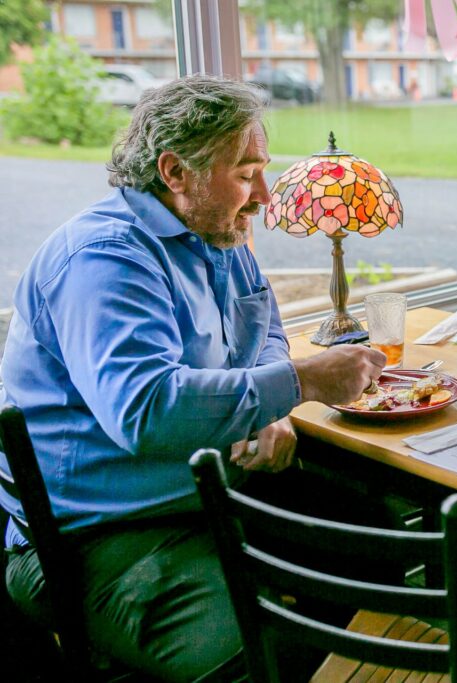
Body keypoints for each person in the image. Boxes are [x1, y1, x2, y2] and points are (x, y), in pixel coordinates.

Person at [0, 75, 389, 682]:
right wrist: (300, 384)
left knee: (375, 544)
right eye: (246, 173)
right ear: (175, 172)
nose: (263, 195)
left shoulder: (218, 233)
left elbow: (265, 329)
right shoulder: (105, 259)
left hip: (206, 490)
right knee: (272, 655)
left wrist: (268, 406)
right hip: (100, 535)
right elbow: (146, 409)